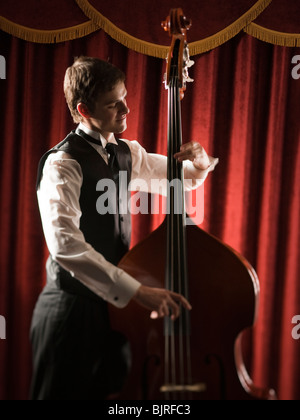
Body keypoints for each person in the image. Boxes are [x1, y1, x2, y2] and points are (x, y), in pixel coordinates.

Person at [30, 56, 218, 400]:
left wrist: (201, 162)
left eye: (126, 97)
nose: (126, 109)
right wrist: (139, 292)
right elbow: (65, 245)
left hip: (114, 311)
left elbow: (184, 178)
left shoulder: (126, 153)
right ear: (84, 109)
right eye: (114, 103)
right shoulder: (62, 163)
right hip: (70, 312)